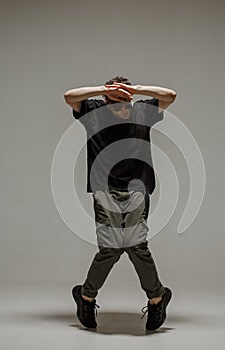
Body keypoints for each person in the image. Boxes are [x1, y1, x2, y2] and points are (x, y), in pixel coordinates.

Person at [64, 75, 177, 331]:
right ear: (106, 101)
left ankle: (156, 298)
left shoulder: (142, 112)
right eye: (118, 102)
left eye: (128, 102)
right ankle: (86, 296)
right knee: (110, 248)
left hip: (137, 187)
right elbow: (69, 96)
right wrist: (106, 90)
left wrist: (134, 90)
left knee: (136, 244)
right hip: (104, 187)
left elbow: (170, 95)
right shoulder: (93, 112)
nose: (125, 107)